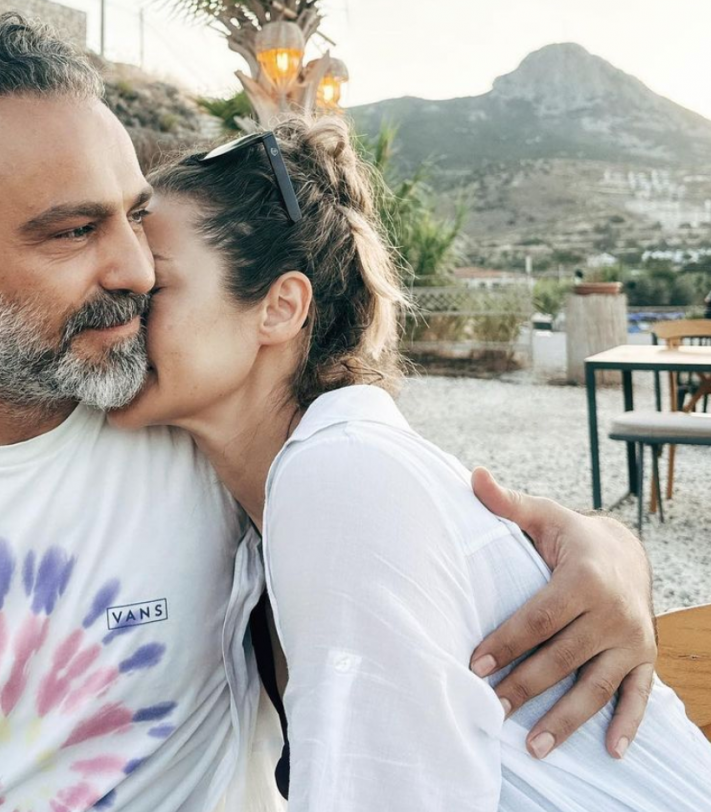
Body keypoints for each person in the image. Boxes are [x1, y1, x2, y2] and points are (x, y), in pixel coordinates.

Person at [0, 17, 657, 812]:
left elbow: (419, 514)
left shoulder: (184, 413)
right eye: (74, 230)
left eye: (135, 216)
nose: (132, 270)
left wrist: (607, 551)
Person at [110, 116, 711, 811]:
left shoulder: (339, 476)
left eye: (153, 288)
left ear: (280, 307)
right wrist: (614, 540)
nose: (117, 314)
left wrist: (619, 549)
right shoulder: (289, 480)